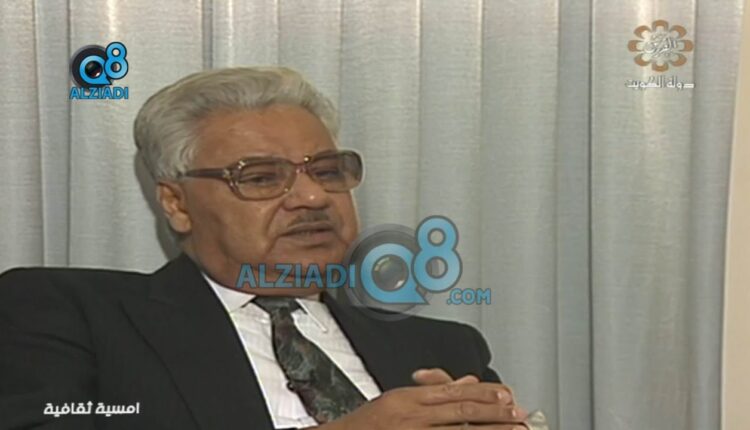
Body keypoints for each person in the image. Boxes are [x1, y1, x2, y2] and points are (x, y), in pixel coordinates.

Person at [0, 67, 542, 429]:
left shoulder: (443, 349)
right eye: (260, 177)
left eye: (327, 171)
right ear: (177, 203)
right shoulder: (71, 314)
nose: (313, 196)